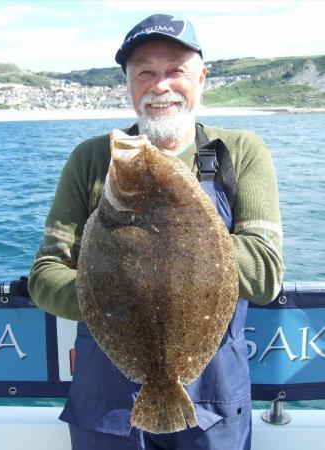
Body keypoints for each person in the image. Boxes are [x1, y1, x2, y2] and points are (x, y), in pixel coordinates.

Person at [28, 13, 283, 450]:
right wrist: (116, 301)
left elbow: (263, 276)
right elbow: (44, 274)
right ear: (128, 82)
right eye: (144, 71)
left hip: (213, 402)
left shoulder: (237, 153)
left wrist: (186, 216)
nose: (160, 85)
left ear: (202, 78)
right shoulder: (93, 159)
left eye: (175, 70)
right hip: (106, 404)